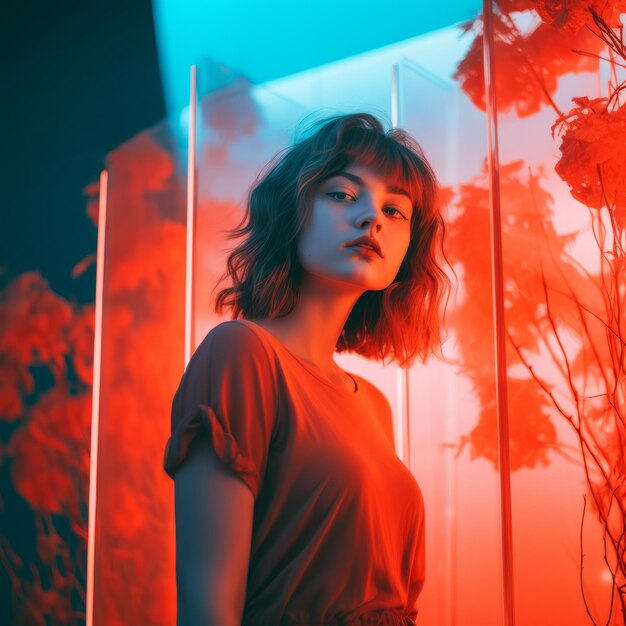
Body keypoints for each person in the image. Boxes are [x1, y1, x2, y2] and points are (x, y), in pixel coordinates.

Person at [163, 112, 452, 626]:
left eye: (395, 209)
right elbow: (207, 606)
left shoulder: (374, 407)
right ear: (291, 210)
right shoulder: (241, 355)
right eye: (342, 194)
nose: (372, 218)